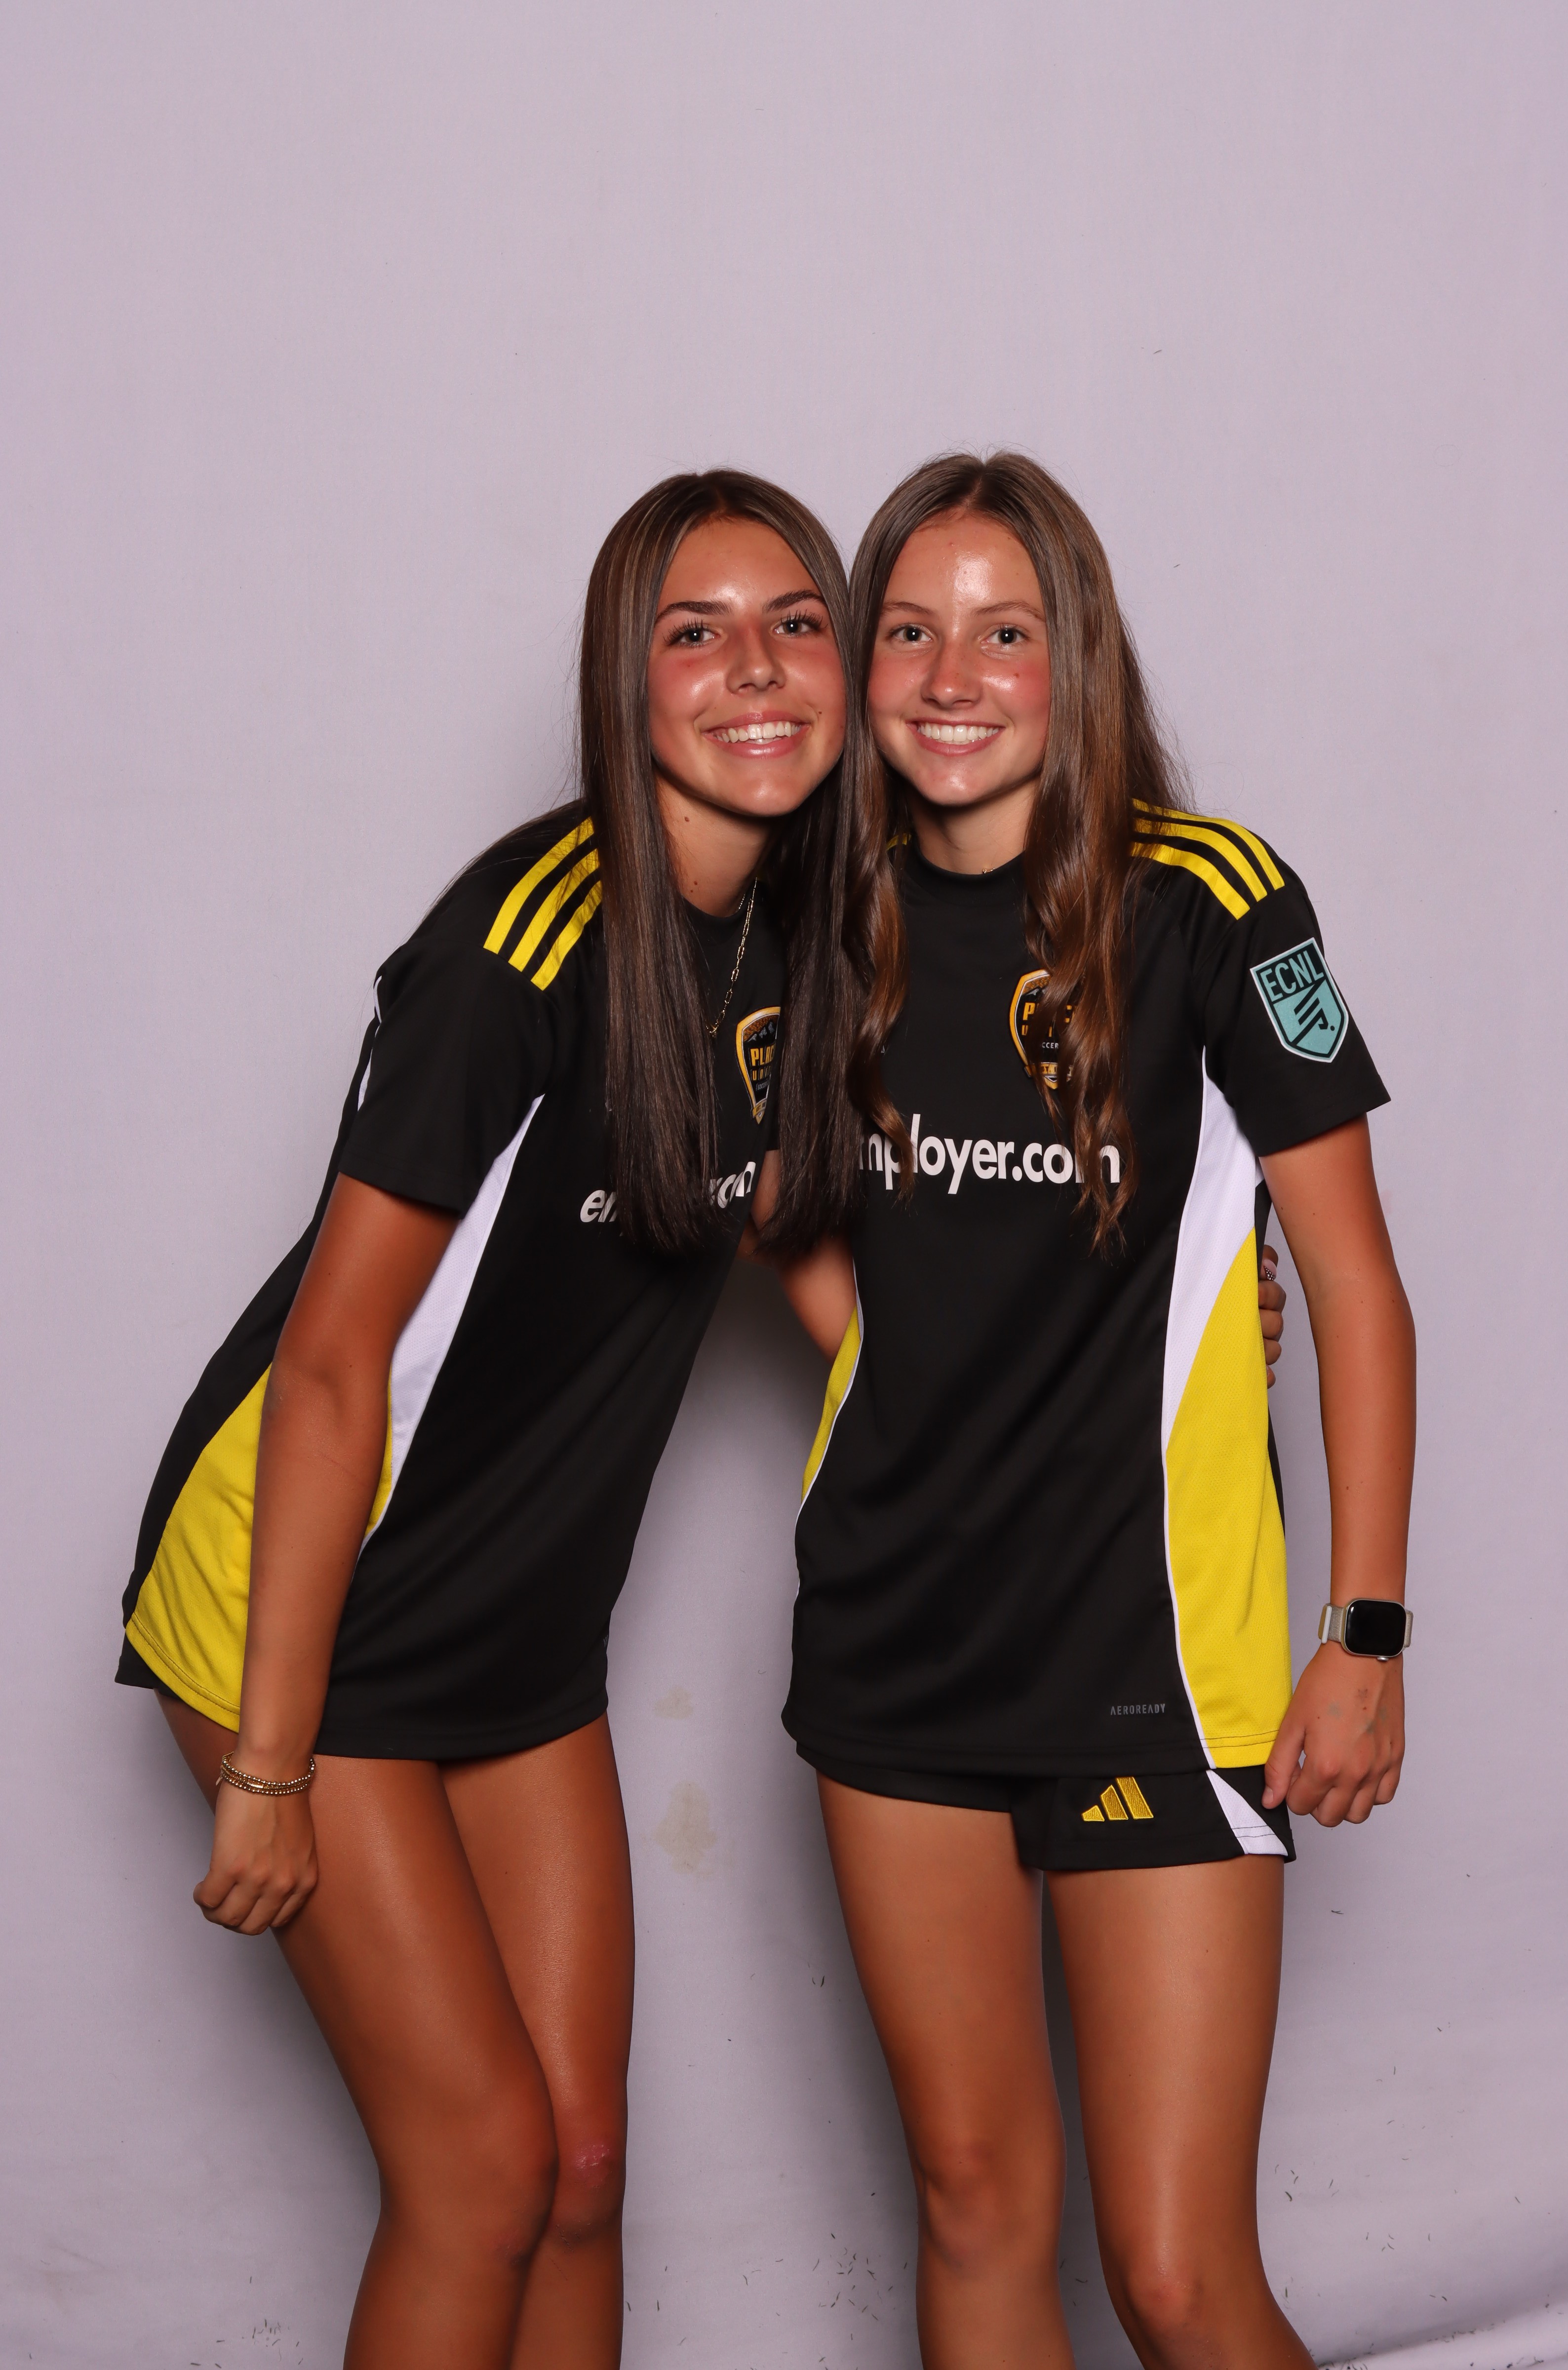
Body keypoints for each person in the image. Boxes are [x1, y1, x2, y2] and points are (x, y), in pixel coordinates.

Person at [116, 470, 881, 2370]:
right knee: (476, 2170)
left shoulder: (789, 943)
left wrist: (1131, 1358)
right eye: (694, 633)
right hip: (311, 1600)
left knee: (583, 2162)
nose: (755, 669)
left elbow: (826, 1271)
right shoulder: (518, 952)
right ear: (627, 682)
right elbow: (330, 1362)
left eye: (795, 623)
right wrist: (269, 1764)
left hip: (519, 1629)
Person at [776, 452, 1415, 2370]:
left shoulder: (1215, 900)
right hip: (893, 1646)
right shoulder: (821, 912)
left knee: (1173, 2278)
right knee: (977, 2209)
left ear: (1079, 659)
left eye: (1004, 632)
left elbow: (1356, 1289)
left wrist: (1366, 1632)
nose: (950, 676)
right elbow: (768, 1208)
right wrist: (911, 1367)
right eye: (908, 630)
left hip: (1156, 1653)